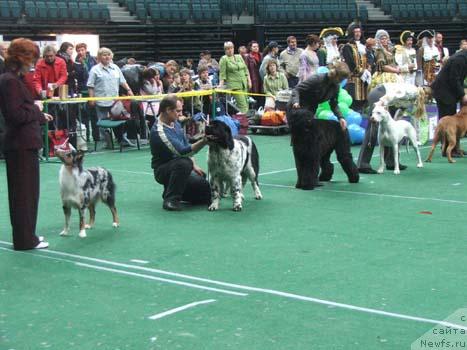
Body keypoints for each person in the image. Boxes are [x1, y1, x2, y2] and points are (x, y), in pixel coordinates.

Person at [0, 38, 54, 250]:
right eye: (32, 57)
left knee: (27, 194)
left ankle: (27, 235)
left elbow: (22, 110)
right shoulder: (10, 80)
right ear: (22, 57)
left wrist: (39, 114)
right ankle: (24, 239)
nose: (34, 61)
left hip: (22, 143)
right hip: (20, 144)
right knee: (24, 195)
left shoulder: (14, 78)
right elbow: (15, 114)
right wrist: (36, 109)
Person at [150, 95, 211, 211]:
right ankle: (170, 200)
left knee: (206, 191)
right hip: (163, 170)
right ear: (168, 110)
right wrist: (204, 141)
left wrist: (194, 165)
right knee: (184, 163)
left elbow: (185, 143)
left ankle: (172, 190)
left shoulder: (175, 123)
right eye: (178, 111)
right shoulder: (159, 132)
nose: (180, 114)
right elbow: (182, 152)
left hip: (180, 165)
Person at [87, 47, 134, 148]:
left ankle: (123, 140)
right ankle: (108, 142)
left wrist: (129, 90)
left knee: (120, 121)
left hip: (115, 102)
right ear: (99, 57)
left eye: (108, 54)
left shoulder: (116, 68)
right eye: (104, 55)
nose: (107, 56)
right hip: (101, 101)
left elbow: (122, 81)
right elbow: (90, 86)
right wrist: (91, 99)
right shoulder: (94, 70)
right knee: (103, 123)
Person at [289, 61, 350, 131]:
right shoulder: (317, 79)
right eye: (340, 79)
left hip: (310, 109)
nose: (341, 81)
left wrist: (340, 117)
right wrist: (296, 102)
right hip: (297, 107)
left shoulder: (336, 87)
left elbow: (334, 104)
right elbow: (296, 90)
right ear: (334, 73)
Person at [432, 49, 467, 120]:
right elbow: (454, 79)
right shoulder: (459, 59)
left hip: (448, 91)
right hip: (444, 92)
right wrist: (462, 95)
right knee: (447, 121)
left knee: (450, 120)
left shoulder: (463, 57)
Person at [342, 22, 369, 111]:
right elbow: (350, 63)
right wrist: (361, 72)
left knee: (364, 103)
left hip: (364, 80)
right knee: (354, 103)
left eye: (359, 32)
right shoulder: (347, 47)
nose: (358, 34)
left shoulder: (364, 46)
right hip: (353, 80)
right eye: (355, 32)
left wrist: (368, 69)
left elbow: (369, 58)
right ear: (352, 33)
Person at [219, 41, 251, 113]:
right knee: (243, 105)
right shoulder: (224, 59)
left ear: (233, 48)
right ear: (225, 50)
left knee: (246, 103)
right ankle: (244, 121)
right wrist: (220, 85)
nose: (230, 50)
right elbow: (222, 74)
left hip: (244, 84)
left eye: (231, 48)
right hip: (234, 86)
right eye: (227, 48)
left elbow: (245, 69)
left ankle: (245, 120)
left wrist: (249, 80)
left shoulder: (239, 56)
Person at [244, 41, 263, 105]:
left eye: (257, 46)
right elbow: (246, 68)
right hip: (253, 78)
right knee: (254, 95)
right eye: (254, 47)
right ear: (250, 48)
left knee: (262, 95)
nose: (256, 48)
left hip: (261, 78)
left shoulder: (261, 55)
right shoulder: (247, 57)